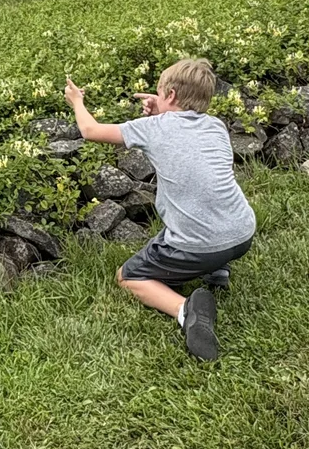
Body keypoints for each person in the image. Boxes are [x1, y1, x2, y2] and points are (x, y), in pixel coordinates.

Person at [64, 57, 255, 361]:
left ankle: (185, 310)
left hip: (198, 244)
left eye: (159, 91)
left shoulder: (153, 128)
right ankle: (216, 271)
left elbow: (90, 130)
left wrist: (76, 100)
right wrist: (161, 107)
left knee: (128, 277)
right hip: (242, 233)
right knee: (200, 203)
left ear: (170, 95)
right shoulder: (216, 126)